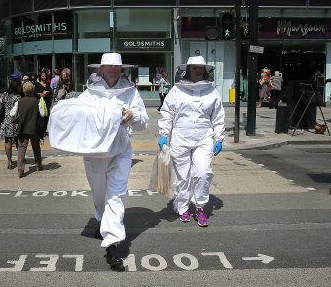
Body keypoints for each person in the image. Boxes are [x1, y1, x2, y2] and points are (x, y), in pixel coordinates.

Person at [81, 53, 149, 270]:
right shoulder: (89, 91)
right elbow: (77, 115)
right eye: (108, 66)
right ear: (100, 69)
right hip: (95, 150)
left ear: (122, 70)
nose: (112, 69)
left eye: (116, 66)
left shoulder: (130, 92)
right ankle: (101, 218)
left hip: (120, 148)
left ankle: (112, 243)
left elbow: (143, 122)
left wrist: (134, 115)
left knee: (116, 195)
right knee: (99, 192)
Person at [158, 55, 225, 227]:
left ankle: (200, 207)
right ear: (187, 70)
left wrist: (219, 137)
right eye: (194, 68)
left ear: (205, 71)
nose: (197, 71)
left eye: (200, 68)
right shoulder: (176, 91)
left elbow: (218, 116)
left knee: (203, 172)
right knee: (183, 175)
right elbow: (167, 113)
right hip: (181, 136)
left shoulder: (212, 91)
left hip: (204, 137)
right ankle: (182, 207)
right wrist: (163, 134)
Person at [15, 82, 43, 178]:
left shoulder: (20, 101)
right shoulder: (37, 101)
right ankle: (38, 165)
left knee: (21, 148)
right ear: (33, 90)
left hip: (22, 128)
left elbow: (12, 113)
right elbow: (43, 113)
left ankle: (20, 169)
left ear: (24, 90)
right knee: (36, 146)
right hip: (34, 128)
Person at [0, 76, 22, 169]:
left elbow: (1, 104)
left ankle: (9, 161)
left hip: (6, 120)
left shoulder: (4, 95)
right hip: (16, 120)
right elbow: (19, 110)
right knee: (18, 141)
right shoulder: (17, 97)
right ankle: (20, 159)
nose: (20, 87)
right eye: (19, 86)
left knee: (7, 141)